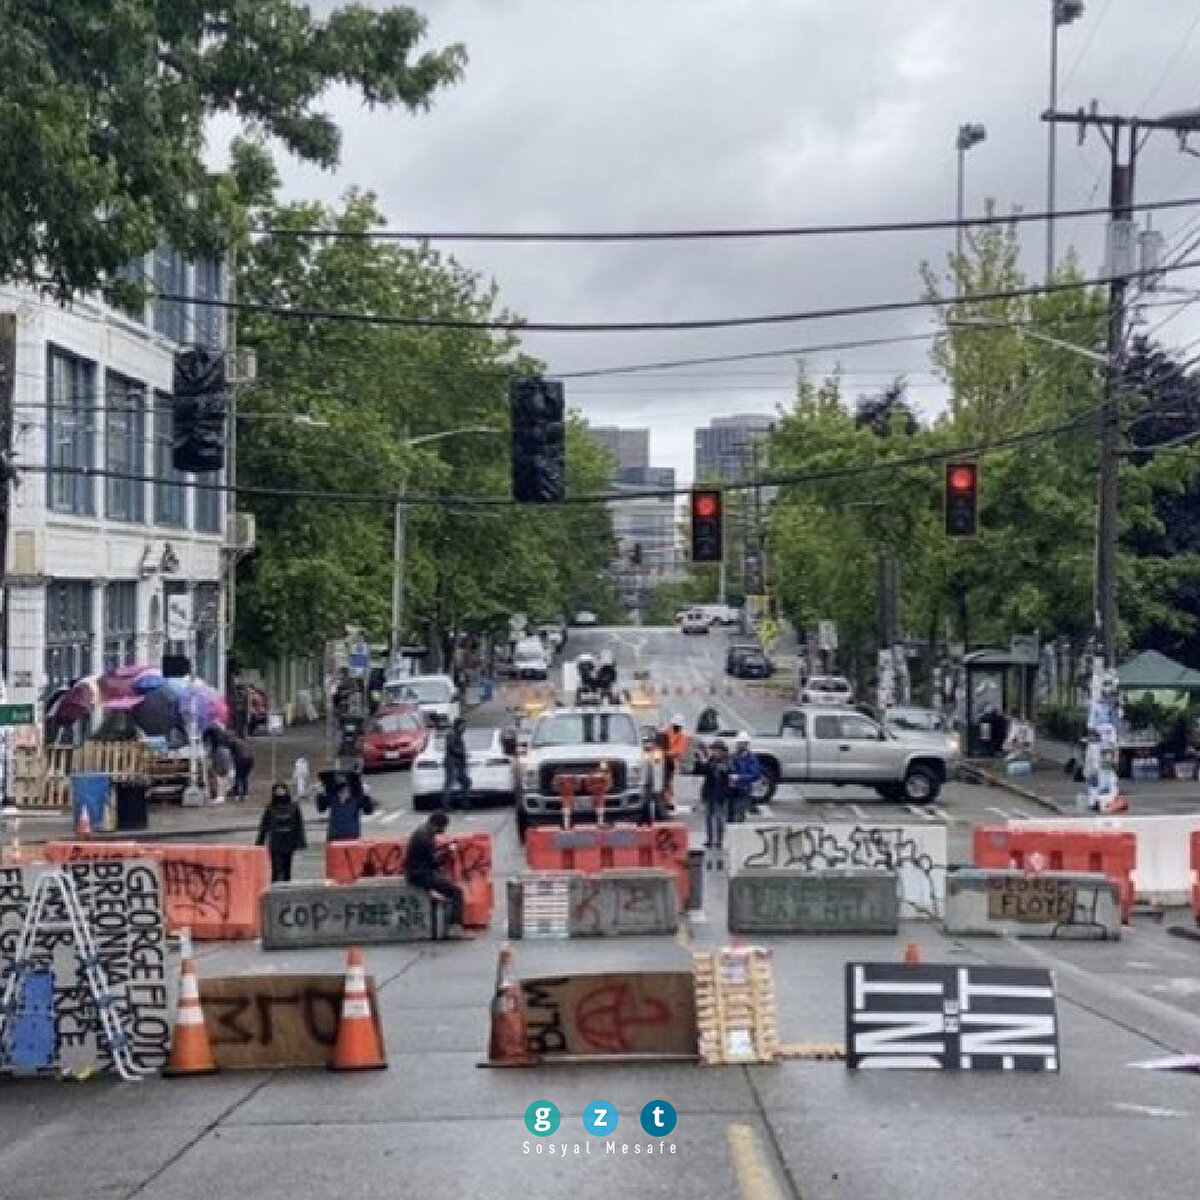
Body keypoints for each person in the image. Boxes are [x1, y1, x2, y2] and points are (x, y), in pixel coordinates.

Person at [405, 810, 467, 936]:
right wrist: (448, 852)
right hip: (420, 875)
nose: (442, 832)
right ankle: (454, 927)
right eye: (442, 828)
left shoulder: (422, 832)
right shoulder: (424, 838)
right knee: (456, 892)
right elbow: (434, 862)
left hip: (418, 871)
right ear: (436, 825)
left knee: (447, 884)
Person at [256, 783, 307, 883]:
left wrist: (300, 841)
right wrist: (259, 841)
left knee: (287, 866)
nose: (280, 792)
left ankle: (286, 885)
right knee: (276, 866)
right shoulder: (270, 808)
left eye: (282, 790)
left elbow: (299, 824)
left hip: (289, 839)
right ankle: (275, 885)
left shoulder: (293, 806)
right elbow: (264, 825)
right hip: (276, 840)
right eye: (277, 790)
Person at [316, 769, 375, 841]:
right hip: (334, 835)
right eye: (337, 778)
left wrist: (367, 795)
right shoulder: (331, 794)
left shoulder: (357, 796)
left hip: (352, 835)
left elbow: (368, 811)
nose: (339, 780)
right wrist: (320, 794)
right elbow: (321, 809)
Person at [701, 739, 733, 853]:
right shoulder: (711, 760)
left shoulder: (727, 761)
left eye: (717, 750)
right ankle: (709, 839)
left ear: (722, 751)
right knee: (709, 817)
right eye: (714, 750)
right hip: (710, 792)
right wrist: (704, 762)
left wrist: (722, 769)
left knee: (719, 818)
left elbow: (729, 772)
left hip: (721, 794)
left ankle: (719, 840)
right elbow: (703, 772)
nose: (715, 752)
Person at [729, 733, 764, 822]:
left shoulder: (751, 758)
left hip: (743, 790)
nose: (738, 745)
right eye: (738, 743)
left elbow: (755, 775)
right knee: (730, 815)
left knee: (739, 814)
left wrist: (739, 777)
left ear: (745, 744)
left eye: (740, 743)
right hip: (732, 790)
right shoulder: (733, 756)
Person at [442, 717, 471, 811]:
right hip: (452, 762)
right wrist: (463, 753)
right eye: (464, 725)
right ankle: (446, 805)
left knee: (466, 782)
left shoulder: (458, 734)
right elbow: (451, 748)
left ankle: (465, 803)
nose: (465, 727)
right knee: (450, 783)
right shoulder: (452, 734)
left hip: (459, 762)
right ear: (459, 725)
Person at [662, 715, 689, 808]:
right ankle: (666, 799)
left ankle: (669, 800)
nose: (676, 727)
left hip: (672, 762)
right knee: (664, 781)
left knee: (670, 782)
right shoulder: (665, 732)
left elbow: (680, 750)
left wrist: (668, 753)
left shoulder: (683, 737)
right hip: (662, 761)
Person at [230, 733, 255, 801]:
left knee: (238, 777)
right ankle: (245, 794)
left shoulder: (236, 742)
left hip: (241, 760)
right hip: (250, 760)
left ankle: (237, 794)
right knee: (244, 777)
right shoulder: (249, 743)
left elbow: (232, 752)